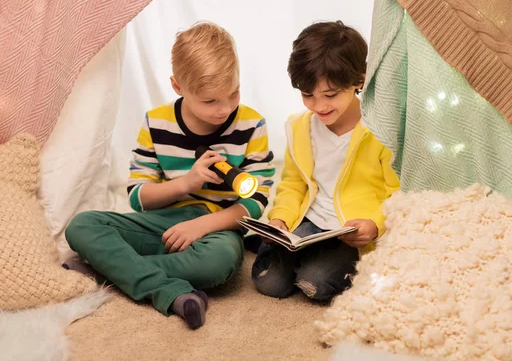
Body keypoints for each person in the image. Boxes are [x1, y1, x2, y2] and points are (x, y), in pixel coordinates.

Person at [63, 22, 275, 329]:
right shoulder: (157, 123)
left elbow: (256, 202)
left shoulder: (251, 125)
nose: (225, 108)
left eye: (234, 93)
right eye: (210, 101)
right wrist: (186, 183)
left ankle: (104, 270)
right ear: (178, 86)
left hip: (216, 227)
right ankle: (169, 290)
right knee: (82, 226)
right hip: (161, 223)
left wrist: (201, 224)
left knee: (220, 262)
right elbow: (138, 197)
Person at [251, 21, 400, 301]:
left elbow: (398, 193)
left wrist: (375, 225)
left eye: (330, 95)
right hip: (308, 220)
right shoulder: (299, 128)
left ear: (359, 80)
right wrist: (280, 219)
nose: (319, 106)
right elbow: (293, 184)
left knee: (315, 284)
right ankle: (291, 253)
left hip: (349, 230)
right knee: (269, 282)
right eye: (308, 95)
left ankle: (318, 266)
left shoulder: (378, 131)